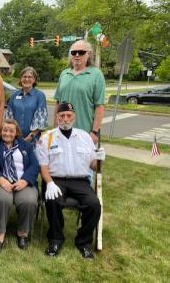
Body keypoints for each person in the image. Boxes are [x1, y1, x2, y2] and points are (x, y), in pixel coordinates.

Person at [36, 102, 105, 259]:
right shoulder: (47, 137)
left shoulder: (84, 137)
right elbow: (43, 166)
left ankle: (84, 242)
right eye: (62, 116)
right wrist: (50, 183)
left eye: (68, 115)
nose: (65, 119)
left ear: (74, 117)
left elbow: (94, 166)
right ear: (57, 117)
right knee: (52, 201)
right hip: (55, 179)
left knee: (94, 205)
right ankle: (55, 239)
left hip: (80, 181)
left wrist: (100, 159)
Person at [0, 119, 39, 252]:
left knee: (29, 201)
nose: (7, 133)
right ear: (0, 131)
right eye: (5, 130)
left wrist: (24, 180)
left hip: (22, 181)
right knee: (2, 200)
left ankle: (23, 234)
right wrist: (0, 179)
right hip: (1, 182)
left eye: (11, 131)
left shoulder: (26, 146)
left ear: (16, 133)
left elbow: (34, 165)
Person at [54, 40, 105, 143]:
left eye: (81, 52)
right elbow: (58, 103)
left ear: (88, 54)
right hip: (62, 131)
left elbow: (99, 106)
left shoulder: (96, 75)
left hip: (84, 133)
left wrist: (95, 132)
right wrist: (55, 128)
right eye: (73, 52)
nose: (77, 55)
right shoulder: (64, 74)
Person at [5, 66, 48, 142]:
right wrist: (12, 134)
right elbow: (8, 117)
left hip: (33, 139)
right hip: (14, 138)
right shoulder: (14, 96)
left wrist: (30, 136)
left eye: (30, 77)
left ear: (34, 79)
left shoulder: (40, 96)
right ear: (20, 79)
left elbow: (41, 119)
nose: (27, 79)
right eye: (24, 77)